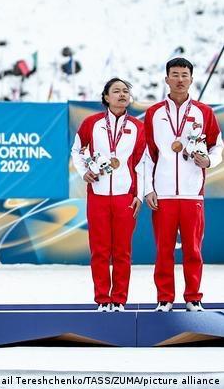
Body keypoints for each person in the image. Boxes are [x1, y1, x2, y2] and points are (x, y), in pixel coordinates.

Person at [143, 57, 222, 312]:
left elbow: (217, 146)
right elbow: (147, 154)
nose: (180, 79)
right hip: (163, 194)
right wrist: (148, 189)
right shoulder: (154, 113)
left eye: (184, 75)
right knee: (163, 250)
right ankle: (164, 298)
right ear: (166, 79)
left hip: (192, 193)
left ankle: (193, 297)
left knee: (193, 250)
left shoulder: (204, 112)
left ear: (191, 79)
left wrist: (208, 160)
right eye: (175, 74)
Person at [70, 78, 148, 312]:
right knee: (100, 250)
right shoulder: (91, 123)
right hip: (98, 195)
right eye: (116, 91)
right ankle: (103, 299)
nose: (122, 94)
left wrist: (139, 195)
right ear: (106, 97)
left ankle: (119, 299)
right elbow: (77, 150)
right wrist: (84, 172)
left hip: (125, 196)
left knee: (122, 251)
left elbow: (142, 163)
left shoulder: (137, 127)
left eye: (125, 91)